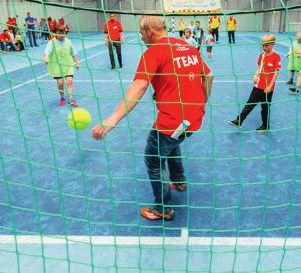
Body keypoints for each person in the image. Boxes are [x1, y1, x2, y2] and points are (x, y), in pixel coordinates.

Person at [92, 15, 213, 221]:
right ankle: (179, 180)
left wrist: (112, 119)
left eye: (141, 33)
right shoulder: (187, 46)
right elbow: (209, 76)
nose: (141, 38)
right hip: (194, 118)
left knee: (153, 159)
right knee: (172, 142)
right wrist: (202, 103)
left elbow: (139, 86)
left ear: (149, 30)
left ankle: (163, 208)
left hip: (173, 119)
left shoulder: (153, 52)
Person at [229, 34, 281, 133]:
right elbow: (259, 68)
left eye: (266, 45)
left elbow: (276, 73)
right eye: (263, 46)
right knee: (249, 104)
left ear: (273, 44)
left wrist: (270, 86)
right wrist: (255, 75)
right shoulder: (261, 56)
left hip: (268, 88)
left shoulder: (276, 57)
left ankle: (265, 126)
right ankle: (238, 121)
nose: (264, 47)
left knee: (265, 108)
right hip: (258, 86)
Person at [44, 24, 80, 107]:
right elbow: (47, 52)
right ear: (56, 33)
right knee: (60, 83)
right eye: (59, 32)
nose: (62, 34)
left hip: (68, 65)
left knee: (69, 81)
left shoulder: (68, 41)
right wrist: (46, 58)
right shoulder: (51, 42)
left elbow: (73, 53)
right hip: (57, 67)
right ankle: (62, 98)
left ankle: (71, 100)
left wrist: (77, 62)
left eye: (63, 32)